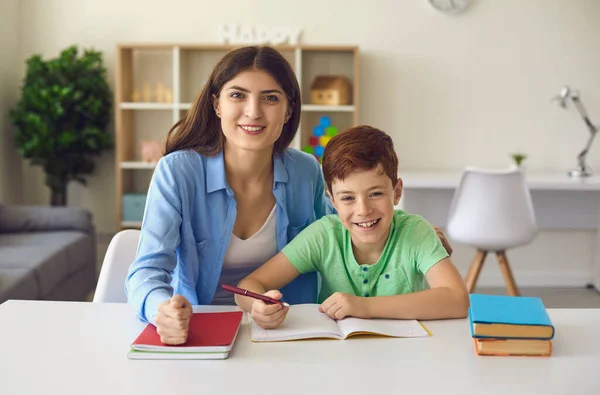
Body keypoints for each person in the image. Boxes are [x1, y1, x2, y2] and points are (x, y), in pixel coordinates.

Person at [125, 45, 453, 345]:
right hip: (201, 326)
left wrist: (412, 234)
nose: (253, 112)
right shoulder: (177, 173)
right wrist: (161, 312)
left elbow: (343, 227)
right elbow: (147, 271)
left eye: (270, 98)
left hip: (289, 330)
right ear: (217, 105)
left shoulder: (305, 170)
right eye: (238, 95)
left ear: (288, 110)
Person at [235, 125, 469, 329]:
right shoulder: (325, 235)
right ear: (332, 200)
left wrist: (364, 307)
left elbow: (458, 300)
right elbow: (248, 285)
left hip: (405, 356)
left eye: (375, 194)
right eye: (348, 198)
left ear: (396, 192)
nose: (363, 210)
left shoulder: (416, 232)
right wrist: (257, 306)